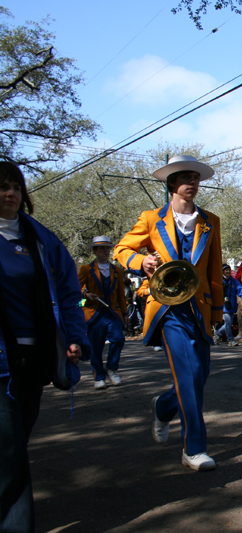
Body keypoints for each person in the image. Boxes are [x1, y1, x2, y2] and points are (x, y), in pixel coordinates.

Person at [115, 154, 224, 471]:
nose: (193, 182)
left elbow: (215, 269)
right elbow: (123, 249)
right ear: (172, 183)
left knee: (198, 377)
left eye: (196, 178)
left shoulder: (211, 221)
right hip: (166, 308)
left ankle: (163, 406)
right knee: (188, 377)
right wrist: (141, 262)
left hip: (200, 308)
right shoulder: (151, 218)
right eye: (186, 177)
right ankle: (194, 448)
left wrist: (217, 311)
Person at [0, 161, 88, 532]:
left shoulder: (43, 240)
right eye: (2, 187)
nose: (10, 193)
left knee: (15, 446)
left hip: (33, 358)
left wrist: (74, 338)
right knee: (7, 449)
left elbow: (68, 295)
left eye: (16, 187)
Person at [78, 236, 128, 389]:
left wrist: (125, 314)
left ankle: (112, 368)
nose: (105, 251)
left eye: (107, 248)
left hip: (113, 312)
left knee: (118, 339)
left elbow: (120, 293)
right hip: (94, 313)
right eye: (101, 248)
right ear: (95, 251)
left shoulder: (117, 271)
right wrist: (86, 294)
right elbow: (76, 287)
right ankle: (99, 376)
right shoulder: (86, 269)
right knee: (96, 346)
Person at [217, 265, 242, 346]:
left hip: (232, 305)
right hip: (223, 305)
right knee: (228, 322)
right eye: (225, 270)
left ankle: (218, 333)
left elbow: (240, 289)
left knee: (229, 323)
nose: (227, 271)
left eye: (228, 270)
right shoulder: (219, 281)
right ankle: (230, 340)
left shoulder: (233, 281)